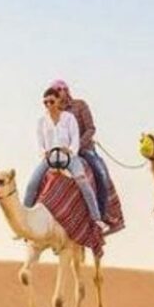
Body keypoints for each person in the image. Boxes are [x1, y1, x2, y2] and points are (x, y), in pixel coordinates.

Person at [24, 87, 108, 231]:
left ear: (58, 101)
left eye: (51, 101)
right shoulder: (41, 121)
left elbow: (75, 138)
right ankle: (25, 221)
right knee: (32, 183)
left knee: (82, 180)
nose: (48, 105)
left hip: (69, 157)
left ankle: (97, 218)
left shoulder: (69, 118)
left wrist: (69, 150)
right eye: (45, 103)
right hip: (49, 158)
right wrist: (45, 153)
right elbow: (40, 143)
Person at [51, 79, 112, 216]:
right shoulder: (54, 112)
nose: (62, 92)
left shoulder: (80, 105)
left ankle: (102, 214)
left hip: (84, 150)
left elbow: (90, 129)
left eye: (63, 89)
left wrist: (76, 146)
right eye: (58, 90)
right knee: (41, 179)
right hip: (62, 153)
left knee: (101, 174)